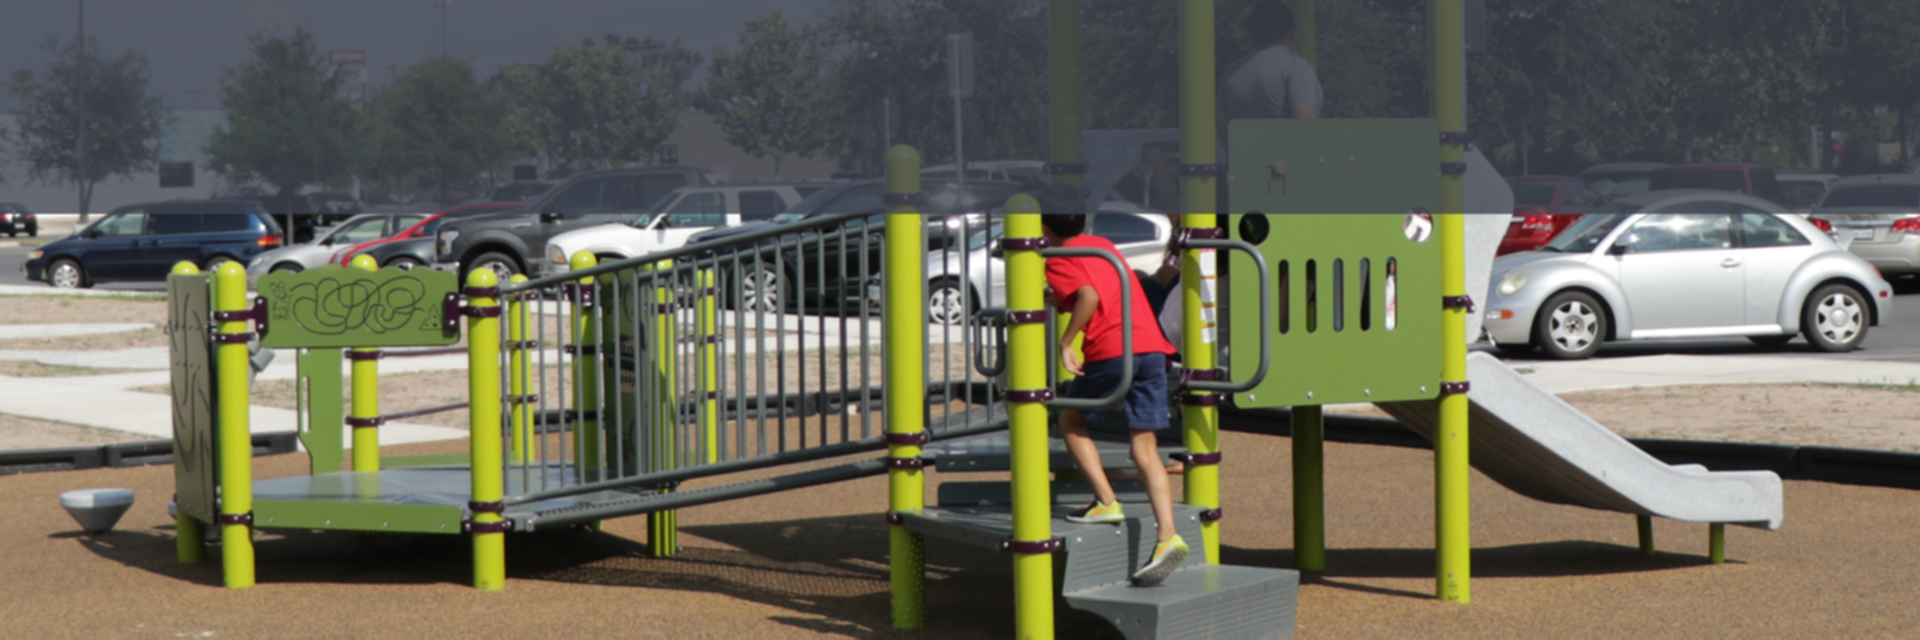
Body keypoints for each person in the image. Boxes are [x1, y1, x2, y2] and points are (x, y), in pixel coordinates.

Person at [1037, 187, 1189, 586]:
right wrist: (1061, 300)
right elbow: (1100, 289)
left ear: (1044, 228)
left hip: (1112, 351)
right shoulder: (1102, 245)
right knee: (1145, 448)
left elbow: (1087, 295)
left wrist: (1066, 341)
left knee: (1071, 420)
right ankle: (1167, 535)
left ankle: (1106, 501)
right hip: (1151, 348)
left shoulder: (1056, 257)